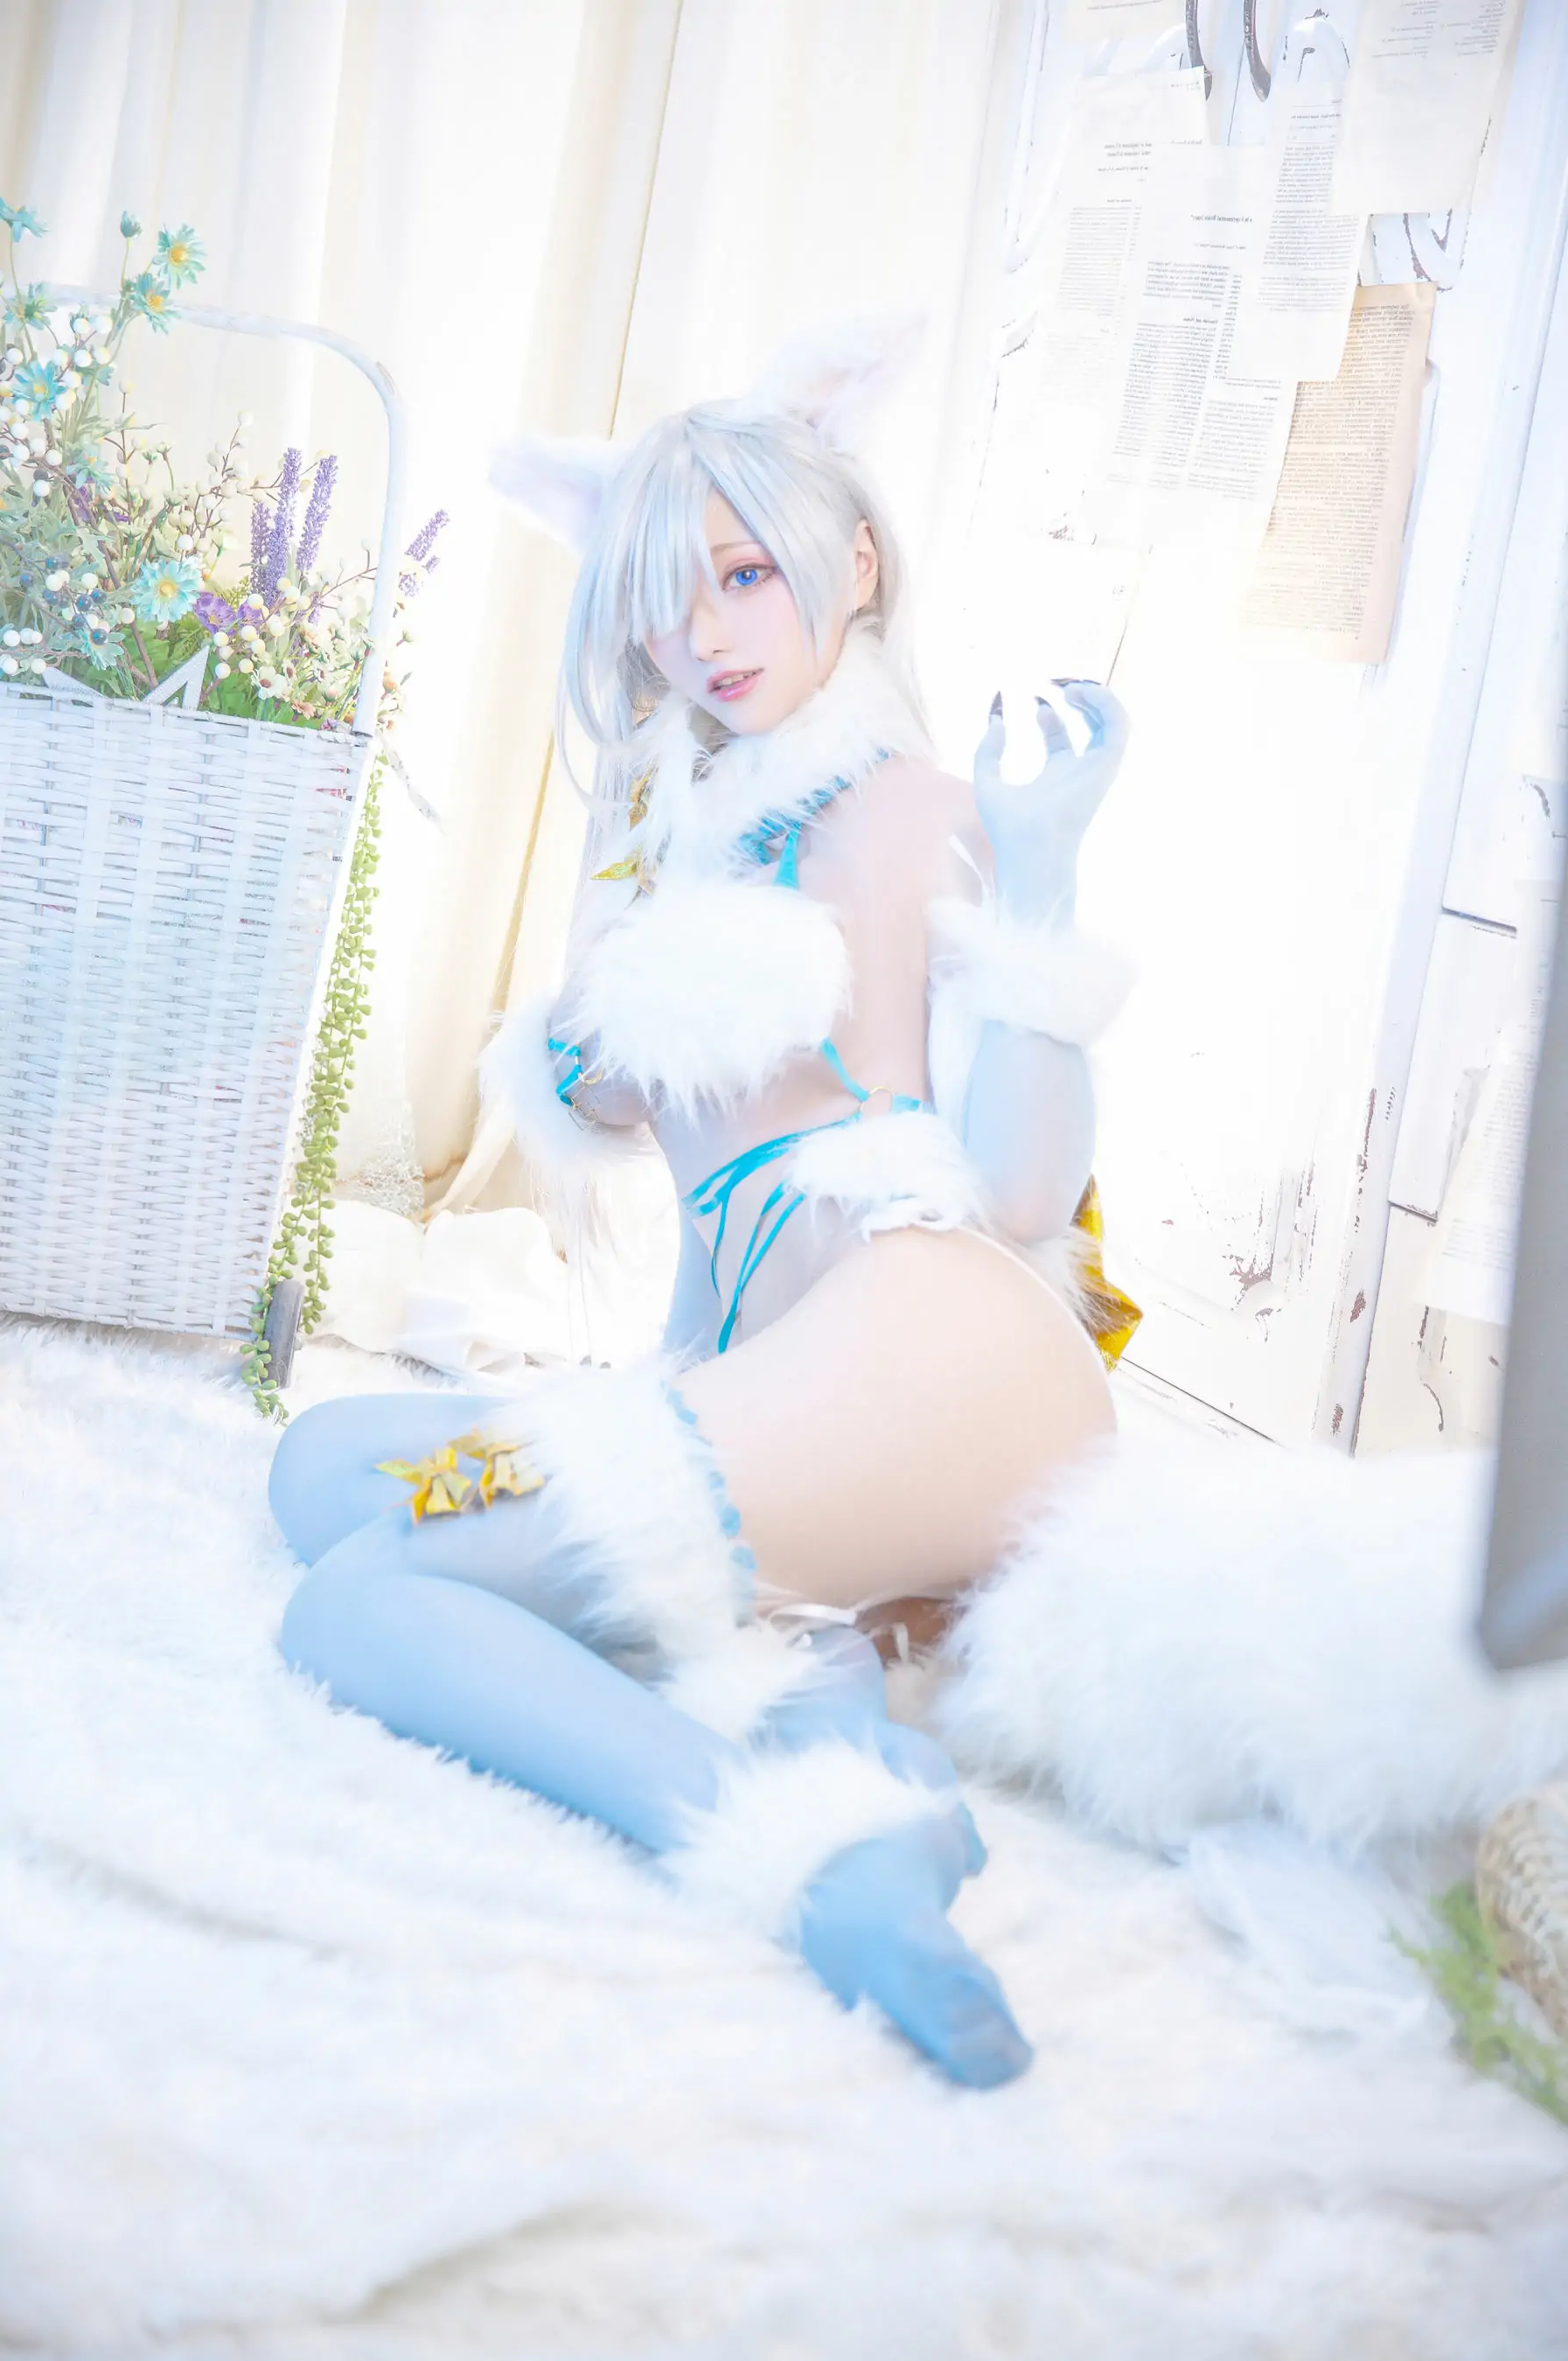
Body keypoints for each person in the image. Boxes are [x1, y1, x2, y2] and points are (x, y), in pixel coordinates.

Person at [272, 325, 1136, 2090]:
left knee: (358, 1600)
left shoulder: (926, 810)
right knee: (322, 1470)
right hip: (787, 1396)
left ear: (855, 565)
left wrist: (1043, 877)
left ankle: (796, 1858)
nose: (708, 634)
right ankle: (851, 1758)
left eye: (745, 575)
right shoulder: (686, 841)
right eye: (667, 600)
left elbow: (1026, 1191)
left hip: (947, 1352)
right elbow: (600, 1094)